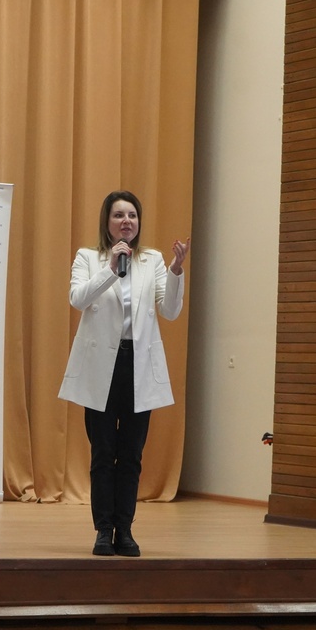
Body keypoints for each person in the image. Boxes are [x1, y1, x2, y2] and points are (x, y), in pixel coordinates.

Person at [59, 190, 191, 557]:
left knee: (131, 454)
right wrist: (110, 267)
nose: (126, 221)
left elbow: (170, 311)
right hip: (101, 367)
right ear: (107, 222)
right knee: (103, 452)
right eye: (119, 215)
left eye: (132, 215)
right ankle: (104, 530)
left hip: (138, 365)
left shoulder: (152, 260)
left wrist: (176, 271)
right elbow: (78, 298)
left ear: (139, 222)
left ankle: (126, 530)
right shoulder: (89, 257)